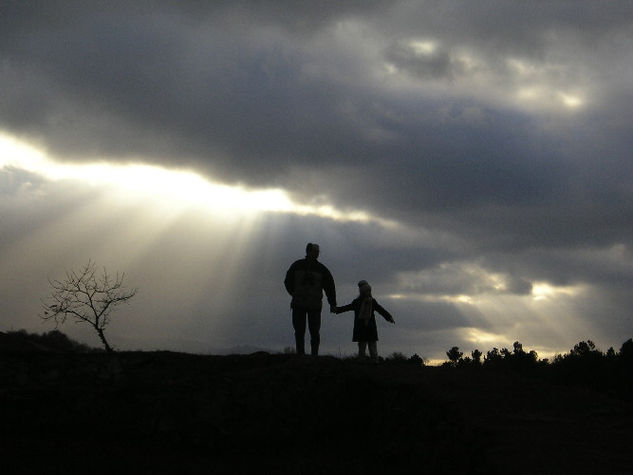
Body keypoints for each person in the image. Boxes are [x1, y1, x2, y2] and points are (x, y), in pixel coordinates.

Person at [284, 243, 337, 356]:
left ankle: (313, 355)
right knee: (300, 331)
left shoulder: (318, 269)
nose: (317, 254)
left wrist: (333, 303)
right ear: (308, 251)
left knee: (313, 332)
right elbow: (287, 281)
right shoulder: (317, 268)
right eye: (316, 252)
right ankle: (301, 354)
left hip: (313, 305)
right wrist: (294, 294)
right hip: (303, 304)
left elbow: (330, 287)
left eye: (318, 252)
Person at [335, 280, 395, 360]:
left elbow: (380, 310)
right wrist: (389, 317)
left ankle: (368, 360)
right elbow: (381, 310)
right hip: (368, 327)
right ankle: (370, 360)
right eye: (368, 291)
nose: (369, 292)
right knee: (367, 345)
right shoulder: (365, 302)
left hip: (363, 327)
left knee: (366, 345)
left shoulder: (360, 302)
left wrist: (337, 310)